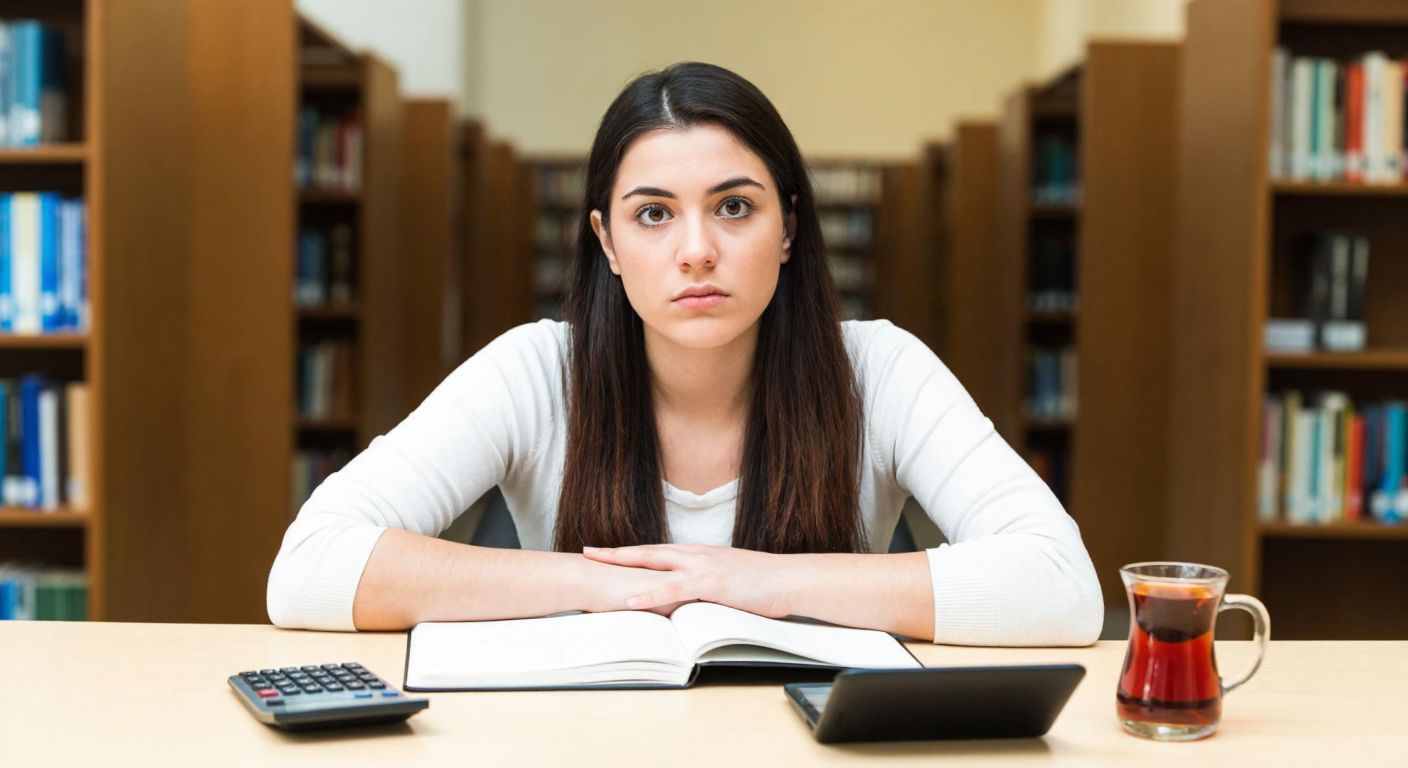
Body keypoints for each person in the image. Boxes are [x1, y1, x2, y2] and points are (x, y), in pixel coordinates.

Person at [267, 62, 1102, 646]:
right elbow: (309, 567)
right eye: (654, 214)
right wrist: (624, 587)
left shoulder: (879, 370)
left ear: (789, 229)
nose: (696, 250)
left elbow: (1059, 588)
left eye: (735, 207)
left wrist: (749, 581)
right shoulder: (533, 372)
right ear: (607, 241)